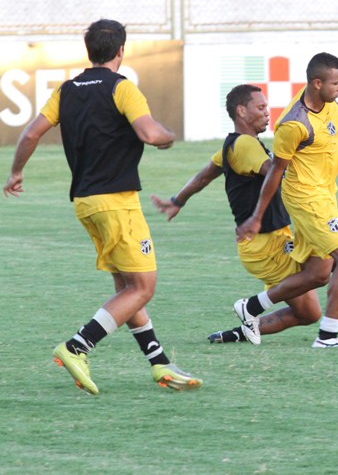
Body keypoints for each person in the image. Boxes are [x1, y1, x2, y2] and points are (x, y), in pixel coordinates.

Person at [3, 19, 203, 394]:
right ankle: (77, 346)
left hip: (85, 202)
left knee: (126, 288)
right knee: (143, 287)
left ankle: (159, 364)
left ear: (89, 50)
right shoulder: (122, 87)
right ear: (121, 51)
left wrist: (16, 173)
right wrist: (170, 136)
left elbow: (31, 133)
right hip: (117, 203)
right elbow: (150, 133)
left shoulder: (66, 90)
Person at [152, 84, 338, 346]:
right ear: (241, 111)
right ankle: (259, 310)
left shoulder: (237, 144)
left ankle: (242, 329)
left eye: (267, 107)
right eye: (260, 108)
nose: (267, 113)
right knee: (330, 265)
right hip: (264, 244)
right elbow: (275, 172)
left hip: (275, 237)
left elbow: (203, 176)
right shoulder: (245, 146)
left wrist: (178, 200)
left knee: (311, 309)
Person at [235, 53, 338, 347]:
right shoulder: (293, 124)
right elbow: (276, 174)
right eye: (336, 83)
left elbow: (331, 115)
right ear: (317, 83)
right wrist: (257, 216)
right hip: (307, 200)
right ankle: (327, 336)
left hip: (324, 195)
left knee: (319, 273)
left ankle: (252, 307)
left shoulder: (325, 102)